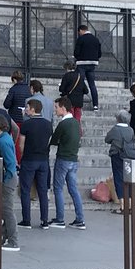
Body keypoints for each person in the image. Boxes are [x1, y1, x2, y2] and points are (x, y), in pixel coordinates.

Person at [49, 97, 85, 230]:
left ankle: (60, 218)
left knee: (58, 188)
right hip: (73, 159)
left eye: (57, 107)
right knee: (73, 189)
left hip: (63, 158)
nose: (55, 110)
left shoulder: (63, 124)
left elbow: (53, 140)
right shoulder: (76, 123)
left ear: (63, 108)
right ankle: (80, 219)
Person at [17, 98, 52, 230]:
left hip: (29, 159)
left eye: (27, 108)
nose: (26, 110)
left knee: (25, 190)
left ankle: (26, 220)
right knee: (43, 190)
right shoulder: (48, 124)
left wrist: (22, 157)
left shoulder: (26, 124)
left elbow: (21, 144)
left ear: (32, 109)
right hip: (43, 160)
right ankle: (44, 220)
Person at [0, 116, 19, 252]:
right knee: (5, 210)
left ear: (1, 126)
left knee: (7, 211)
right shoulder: (4, 139)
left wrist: (5, 180)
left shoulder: (3, 142)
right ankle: (5, 238)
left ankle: (13, 241)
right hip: (8, 178)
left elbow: (11, 163)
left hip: (7, 180)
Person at [105, 110, 135, 212]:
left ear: (118, 118)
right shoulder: (131, 130)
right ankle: (131, 204)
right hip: (130, 156)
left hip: (118, 156)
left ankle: (123, 205)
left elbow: (107, 139)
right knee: (129, 180)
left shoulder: (116, 129)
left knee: (119, 179)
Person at [73, 23, 101, 111]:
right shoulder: (96, 39)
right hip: (92, 64)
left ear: (81, 30)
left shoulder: (81, 39)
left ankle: (79, 104)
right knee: (92, 84)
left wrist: (77, 57)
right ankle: (95, 105)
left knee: (79, 83)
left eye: (79, 32)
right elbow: (99, 53)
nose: (79, 34)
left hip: (82, 63)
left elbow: (76, 52)